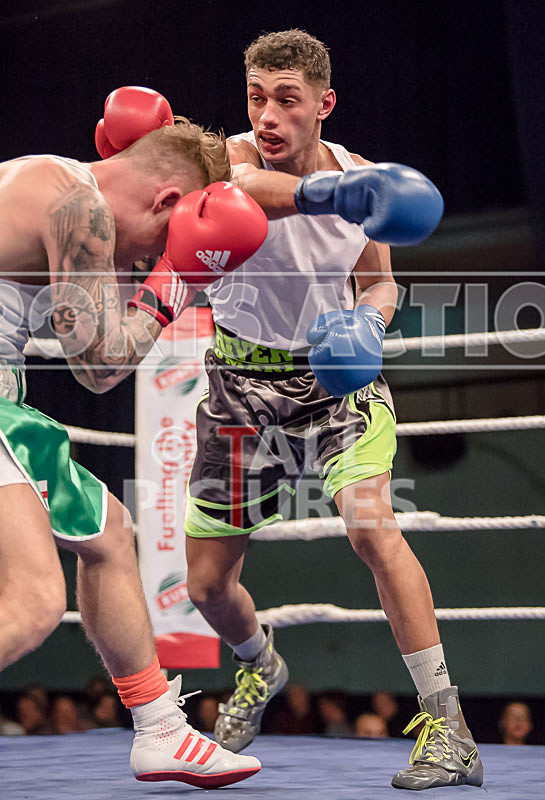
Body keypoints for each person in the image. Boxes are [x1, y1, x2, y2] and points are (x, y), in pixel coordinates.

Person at [182, 29, 482, 791]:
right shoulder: (230, 161)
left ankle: (448, 726)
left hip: (331, 384)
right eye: (257, 98)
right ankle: (260, 665)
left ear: (324, 102)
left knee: (372, 528)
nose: (269, 116)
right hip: (238, 384)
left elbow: (378, 282)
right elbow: (244, 197)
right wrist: (333, 197)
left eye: (287, 100)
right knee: (208, 587)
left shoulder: (362, 175)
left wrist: (368, 324)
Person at [0, 103, 270, 788]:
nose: (143, 256)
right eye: (155, 240)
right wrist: (174, 277)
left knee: (107, 533)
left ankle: (160, 732)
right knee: (31, 601)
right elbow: (98, 366)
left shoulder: (45, 177)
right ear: (168, 200)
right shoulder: (77, 208)